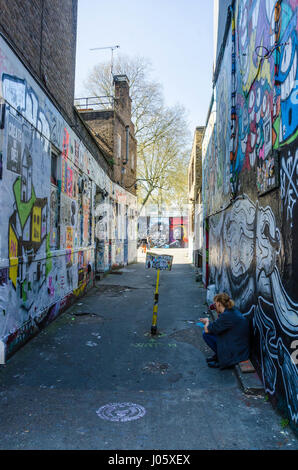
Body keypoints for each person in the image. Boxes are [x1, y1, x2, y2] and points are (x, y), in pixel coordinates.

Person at [199, 293, 250, 369]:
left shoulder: (226, 315)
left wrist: (207, 321)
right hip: (239, 344)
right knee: (214, 333)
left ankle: (222, 359)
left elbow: (207, 330)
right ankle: (218, 355)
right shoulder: (231, 311)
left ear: (219, 303)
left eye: (215, 303)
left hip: (237, 349)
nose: (214, 305)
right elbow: (217, 326)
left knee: (206, 334)